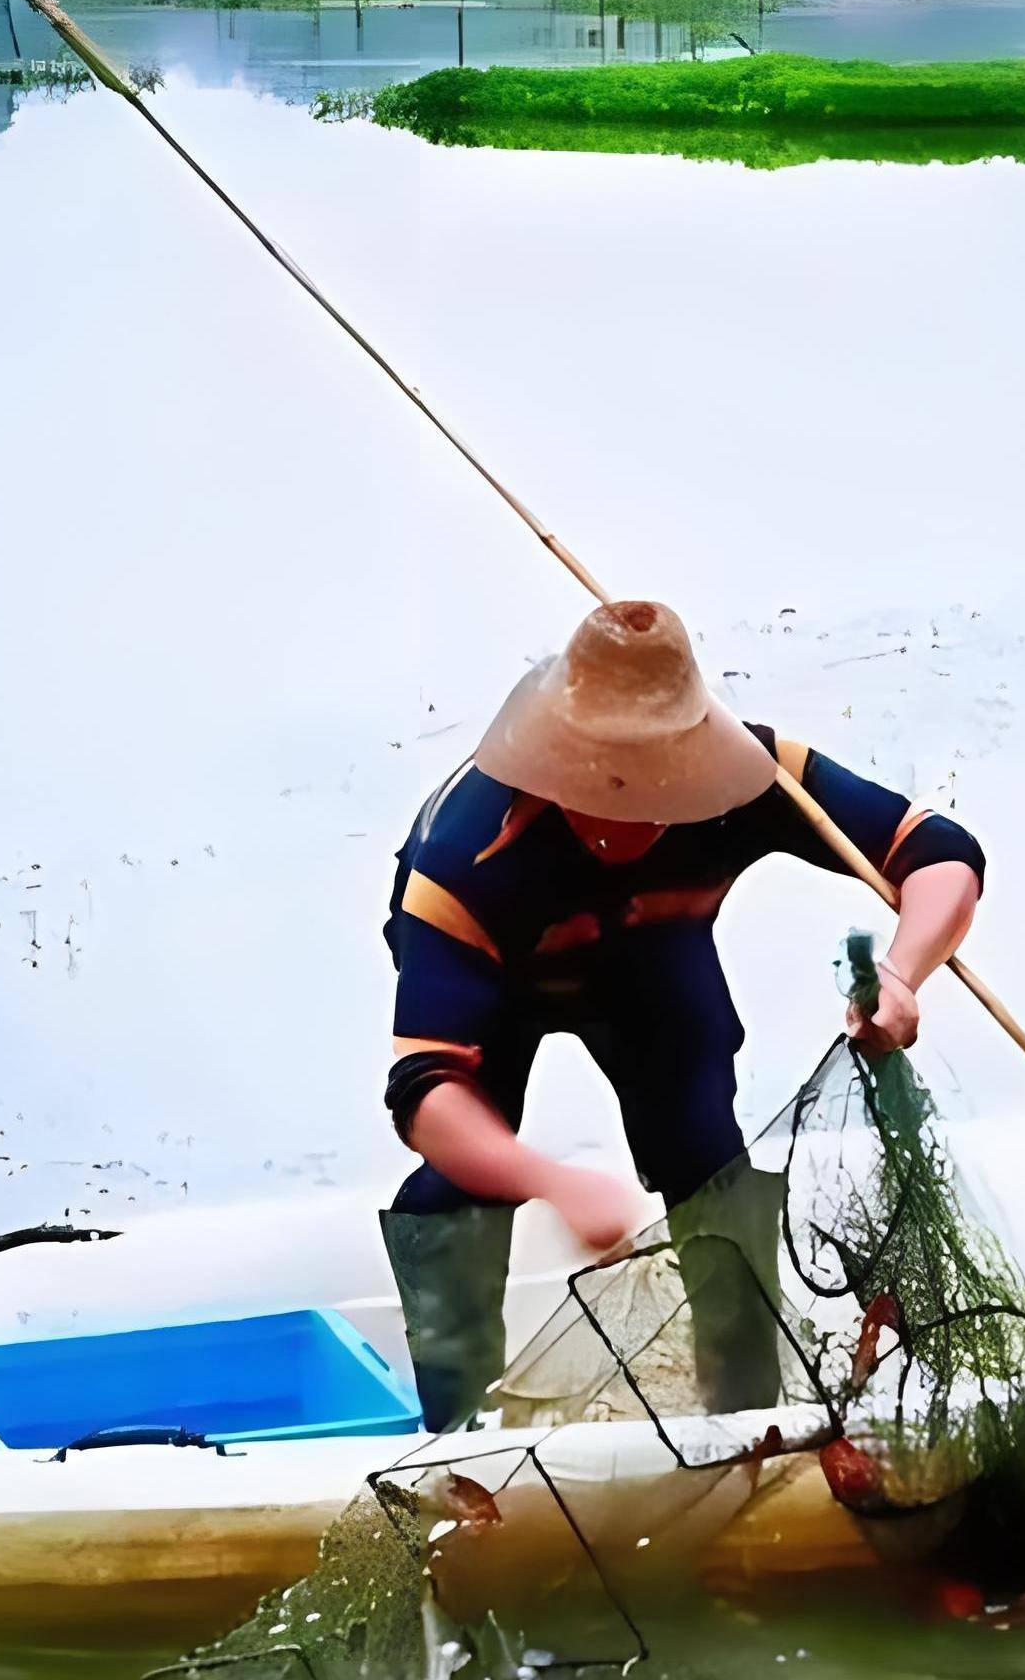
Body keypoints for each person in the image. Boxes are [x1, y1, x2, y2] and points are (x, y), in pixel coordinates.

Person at [379, 597, 984, 1428]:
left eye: (655, 781)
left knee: (703, 1152)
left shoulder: (756, 778)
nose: (623, 802)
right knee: (462, 1179)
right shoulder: (463, 857)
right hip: (503, 977)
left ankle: (744, 1418)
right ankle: (455, 1430)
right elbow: (426, 1091)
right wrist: (555, 1183)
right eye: (597, 780)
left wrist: (903, 974)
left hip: (652, 955)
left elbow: (938, 851)